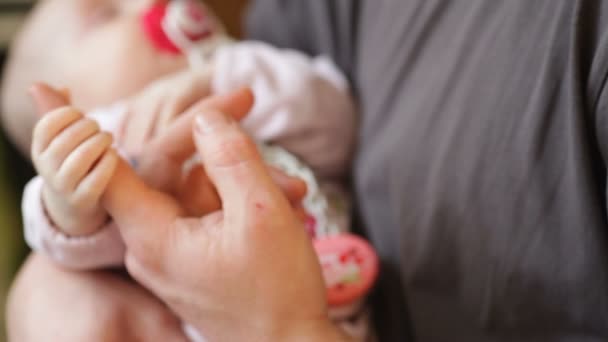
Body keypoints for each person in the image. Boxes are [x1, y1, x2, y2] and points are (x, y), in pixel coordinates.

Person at [9, 0, 608, 341]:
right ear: (71, 95)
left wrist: (230, 79)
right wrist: (71, 201)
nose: (147, 4)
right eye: (105, 15)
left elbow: (335, 117)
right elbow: (63, 244)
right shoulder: (108, 141)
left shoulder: (252, 76)